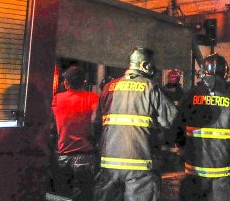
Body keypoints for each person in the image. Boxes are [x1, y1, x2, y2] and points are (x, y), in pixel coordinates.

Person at [92, 47, 178, 201]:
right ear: (145, 65)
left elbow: (95, 122)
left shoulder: (108, 88)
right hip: (140, 166)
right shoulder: (150, 87)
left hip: (109, 165)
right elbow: (171, 120)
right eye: (152, 64)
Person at [174, 54, 230, 201]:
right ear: (225, 73)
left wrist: (181, 146)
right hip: (223, 167)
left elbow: (178, 125)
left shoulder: (191, 95)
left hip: (195, 166)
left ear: (203, 72)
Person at [51, 65, 100, 201]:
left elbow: (51, 124)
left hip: (62, 157)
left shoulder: (57, 99)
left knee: (63, 196)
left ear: (66, 83)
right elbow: (97, 121)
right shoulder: (93, 98)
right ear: (84, 81)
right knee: (86, 195)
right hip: (86, 157)